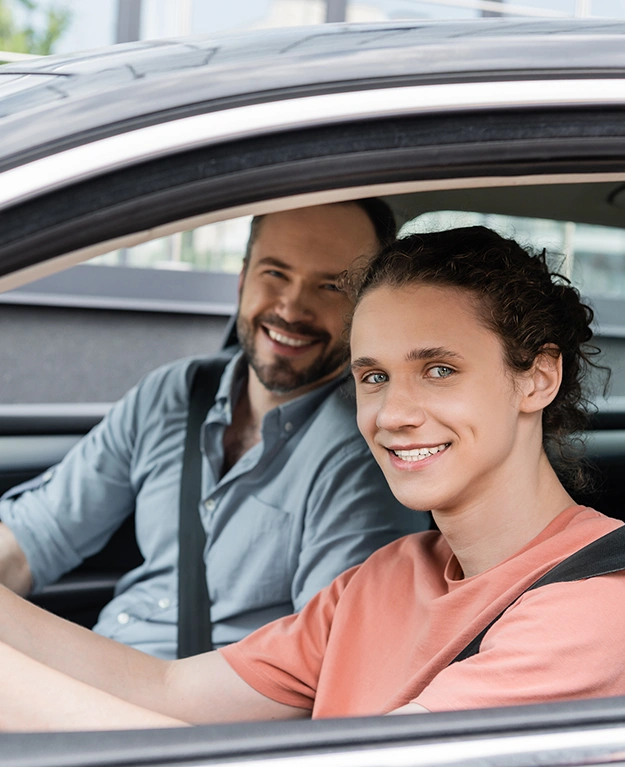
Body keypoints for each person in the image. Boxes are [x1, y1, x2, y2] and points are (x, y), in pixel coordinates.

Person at [1, 225, 624, 732]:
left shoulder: (593, 608)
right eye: (374, 376)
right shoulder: (385, 576)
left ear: (538, 378)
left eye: (438, 369)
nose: (395, 415)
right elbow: (170, 688)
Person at [0, 200, 423, 660]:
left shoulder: (364, 455)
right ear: (243, 278)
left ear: (367, 309)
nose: (292, 307)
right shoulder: (174, 394)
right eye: (275, 273)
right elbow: (30, 541)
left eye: (331, 286)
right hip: (94, 669)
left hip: (189, 722)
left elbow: (321, 671)